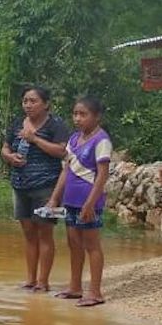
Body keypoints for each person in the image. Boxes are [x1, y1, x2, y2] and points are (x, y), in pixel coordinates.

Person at [0, 85, 70, 293]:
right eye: (25, 101)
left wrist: (35, 139)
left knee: (45, 233)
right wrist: (9, 157)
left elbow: (61, 151)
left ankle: (43, 281)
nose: (28, 105)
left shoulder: (56, 124)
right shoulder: (16, 123)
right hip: (20, 185)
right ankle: (30, 279)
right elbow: (5, 147)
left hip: (48, 187)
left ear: (46, 104)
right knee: (29, 233)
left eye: (33, 101)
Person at [45, 95, 112, 307]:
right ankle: (75, 286)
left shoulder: (101, 141)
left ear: (97, 117)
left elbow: (102, 175)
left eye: (83, 114)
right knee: (73, 243)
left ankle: (95, 291)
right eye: (75, 114)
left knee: (91, 245)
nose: (78, 118)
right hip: (71, 200)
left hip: (89, 201)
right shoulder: (74, 140)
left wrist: (90, 203)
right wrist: (55, 197)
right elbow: (66, 170)